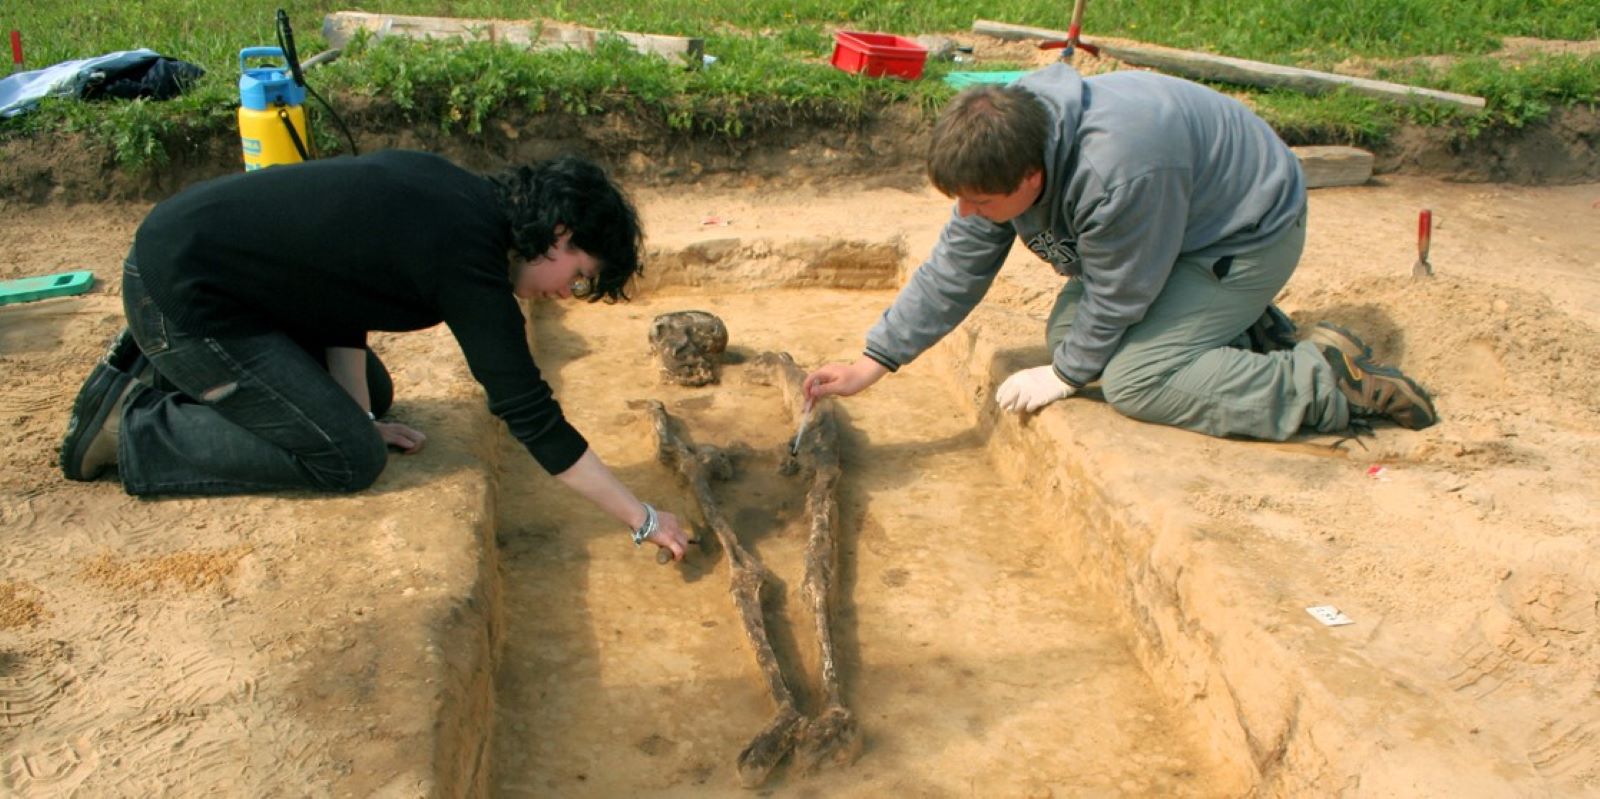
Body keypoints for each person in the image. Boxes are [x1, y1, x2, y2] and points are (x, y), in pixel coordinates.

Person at [59, 150, 692, 561]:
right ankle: (134, 427)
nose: (568, 292)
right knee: (346, 456)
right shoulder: (468, 258)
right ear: (560, 236)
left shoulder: (462, 201)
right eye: (579, 275)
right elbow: (528, 411)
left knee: (368, 405)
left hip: (215, 279)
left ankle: (169, 371)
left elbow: (339, 291)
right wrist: (641, 518)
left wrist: (358, 412)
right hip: (186, 304)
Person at [803, 62, 1437, 439]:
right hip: (1172, 230)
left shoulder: (1120, 172)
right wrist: (873, 361)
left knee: (1136, 380)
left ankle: (1327, 382)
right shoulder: (1005, 141)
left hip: (1246, 234)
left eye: (982, 203)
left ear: (1031, 178)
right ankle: (1239, 334)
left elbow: (1121, 291)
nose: (968, 214)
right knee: (1068, 333)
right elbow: (956, 264)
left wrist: (1066, 376)